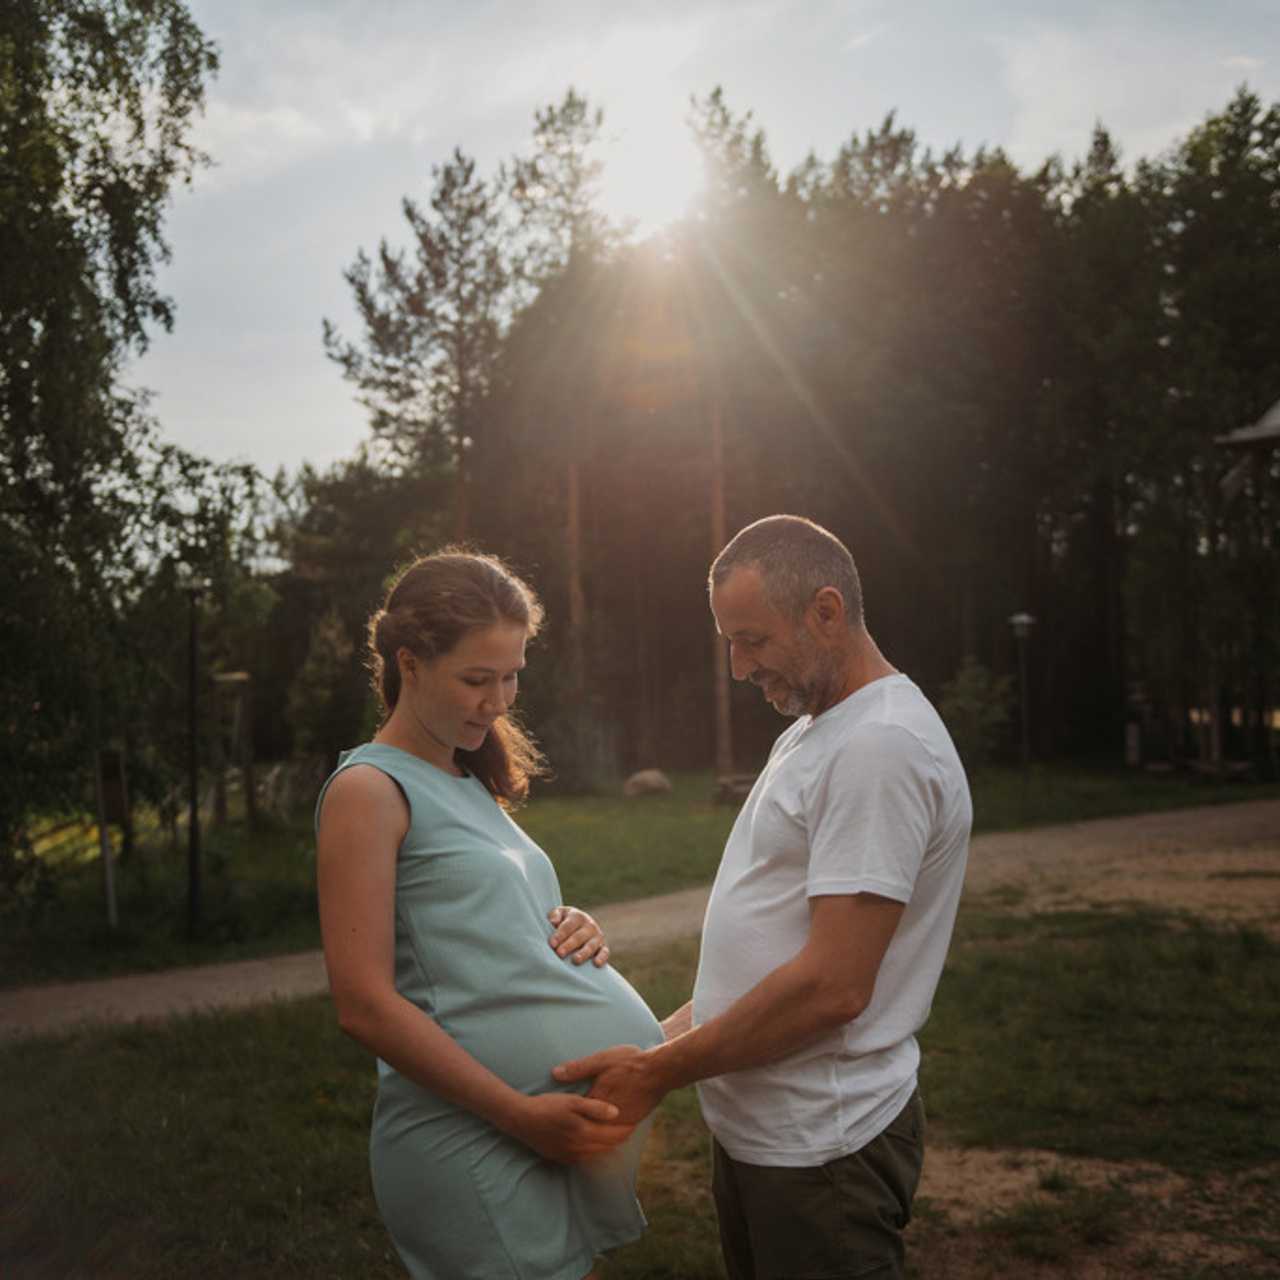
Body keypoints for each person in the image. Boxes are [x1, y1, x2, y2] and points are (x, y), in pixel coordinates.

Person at [555, 514, 971, 1279]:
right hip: (767, 1135)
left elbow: (834, 987)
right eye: (729, 644)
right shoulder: (814, 731)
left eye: (753, 640)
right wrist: (655, 1042)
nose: (740, 668)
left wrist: (658, 1075)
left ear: (826, 612)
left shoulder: (879, 746)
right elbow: (769, 950)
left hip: (825, 1147)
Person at [316, 549, 663, 1280]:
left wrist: (570, 925)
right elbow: (363, 1006)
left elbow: (479, 923)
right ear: (408, 664)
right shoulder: (369, 790)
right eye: (477, 679)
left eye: (511, 677)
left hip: (533, 1135)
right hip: (472, 1136)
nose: (499, 701)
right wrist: (520, 1114)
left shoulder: (467, 779)